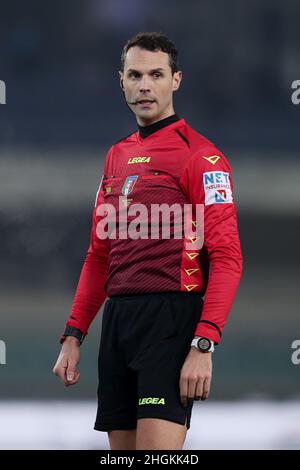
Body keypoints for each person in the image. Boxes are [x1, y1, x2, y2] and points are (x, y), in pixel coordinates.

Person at [53, 31, 243, 451]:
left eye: (156, 74)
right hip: (118, 324)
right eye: (135, 75)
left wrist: (204, 342)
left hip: (171, 324)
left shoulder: (202, 157)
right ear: (119, 80)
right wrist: (73, 335)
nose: (144, 85)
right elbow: (99, 255)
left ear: (176, 80)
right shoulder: (116, 156)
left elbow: (228, 257)